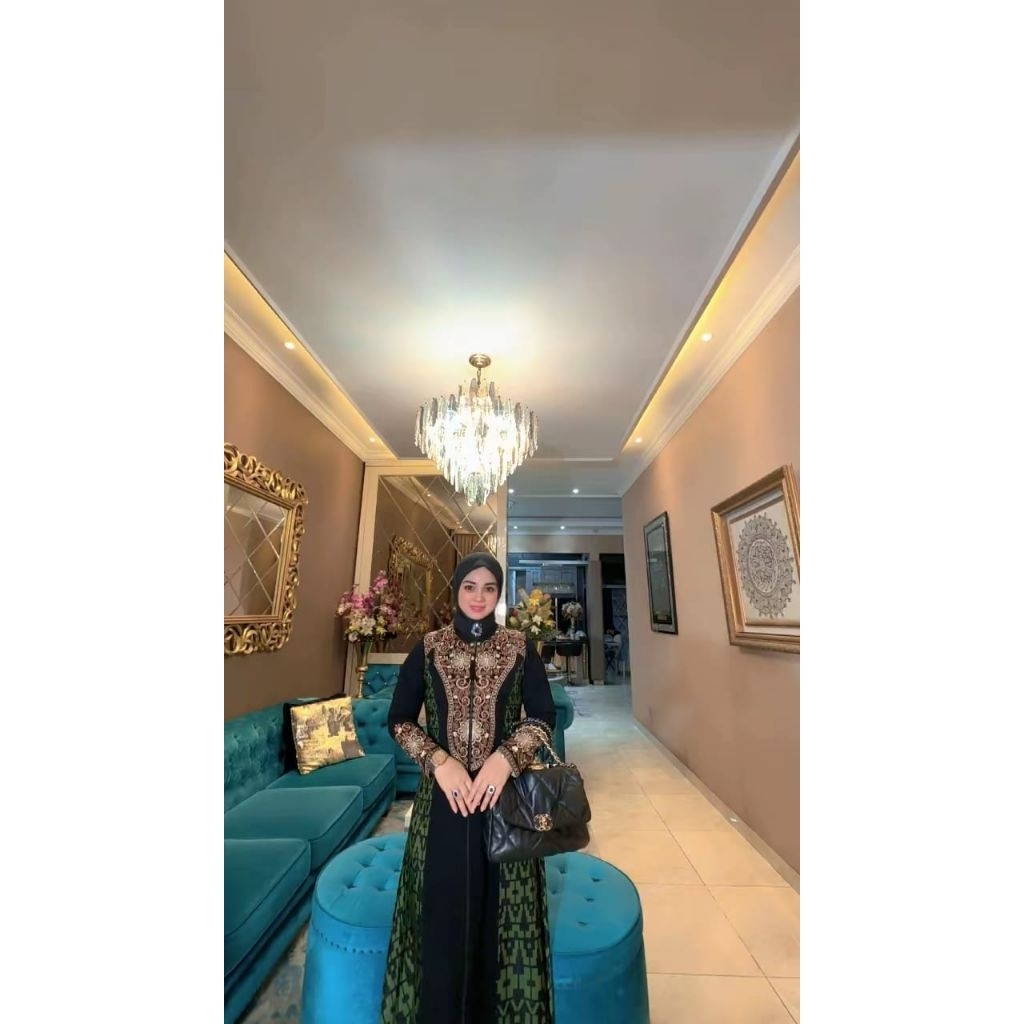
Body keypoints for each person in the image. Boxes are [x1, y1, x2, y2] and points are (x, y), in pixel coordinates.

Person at [381, 552, 558, 1024]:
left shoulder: (520, 648)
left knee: (500, 913)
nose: (479, 597)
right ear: (456, 590)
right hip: (444, 802)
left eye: (489, 588)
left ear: (499, 595)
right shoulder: (429, 648)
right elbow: (399, 720)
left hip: (503, 801)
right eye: (469, 587)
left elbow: (543, 717)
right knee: (441, 908)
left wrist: (505, 759)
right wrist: (439, 762)